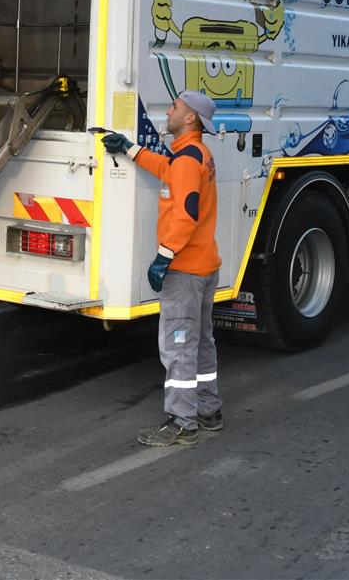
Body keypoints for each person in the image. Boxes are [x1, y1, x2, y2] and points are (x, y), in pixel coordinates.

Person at [101, 90, 222, 446]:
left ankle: (183, 423)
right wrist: (129, 148)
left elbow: (186, 215)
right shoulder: (196, 154)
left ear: (190, 119)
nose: (168, 111)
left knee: (178, 347)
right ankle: (208, 410)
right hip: (203, 265)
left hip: (184, 271)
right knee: (201, 343)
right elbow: (166, 169)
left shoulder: (187, 160)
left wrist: (163, 258)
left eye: (174, 108)